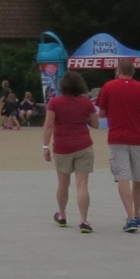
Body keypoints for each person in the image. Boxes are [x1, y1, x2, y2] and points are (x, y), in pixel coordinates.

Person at [95, 61, 140, 232]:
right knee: (139, 178)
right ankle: (137, 214)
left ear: (118, 71)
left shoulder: (108, 87)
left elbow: (101, 113)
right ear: (133, 71)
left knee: (123, 177)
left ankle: (129, 217)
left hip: (117, 138)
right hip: (139, 138)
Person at [42, 73, 99, 232]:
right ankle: (84, 220)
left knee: (63, 183)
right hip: (83, 145)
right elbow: (95, 124)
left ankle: (62, 215)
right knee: (82, 184)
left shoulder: (55, 102)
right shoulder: (86, 103)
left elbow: (48, 125)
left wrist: (45, 146)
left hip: (62, 147)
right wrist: (83, 119)